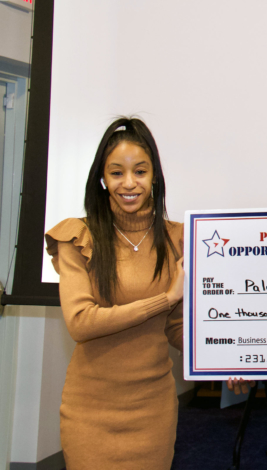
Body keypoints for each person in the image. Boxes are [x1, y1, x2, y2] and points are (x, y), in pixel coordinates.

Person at [45, 117, 186, 469]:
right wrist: (165, 299)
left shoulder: (176, 239)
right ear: (102, 179)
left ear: (155, 176)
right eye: (116, 173)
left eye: (140, 171)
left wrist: (229, 360)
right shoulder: (78, 236)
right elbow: (81, 322)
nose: (129, 183)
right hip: (90, 410)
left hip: (153, 409)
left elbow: (177, 327)